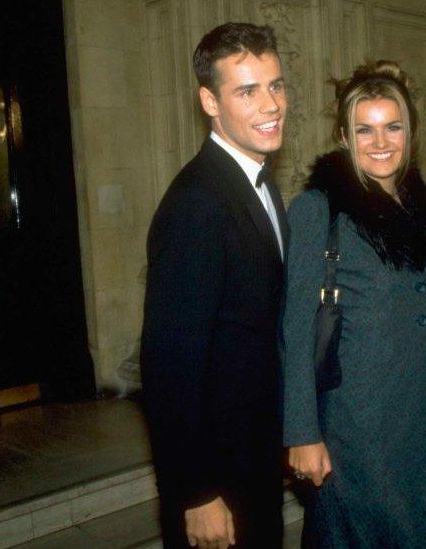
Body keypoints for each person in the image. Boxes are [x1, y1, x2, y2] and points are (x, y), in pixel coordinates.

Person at [282, 60, 426, 548]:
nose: (381, 143)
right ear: (343, 135)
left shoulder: (418, 203)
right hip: (356, 423)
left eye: (392, 127)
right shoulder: (320, 208)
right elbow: (295, 328)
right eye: (365, 130)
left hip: (419, 416)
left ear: (411, 132)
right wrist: (302, 433)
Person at [140, 22, 288, 549]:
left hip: (254, 459)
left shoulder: (258, 181)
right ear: (209, 100)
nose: (270, 104)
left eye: (275, 85)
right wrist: (195, 492)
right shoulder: (197, 203)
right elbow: (168, 366)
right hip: (217, 479)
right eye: (247, 91)